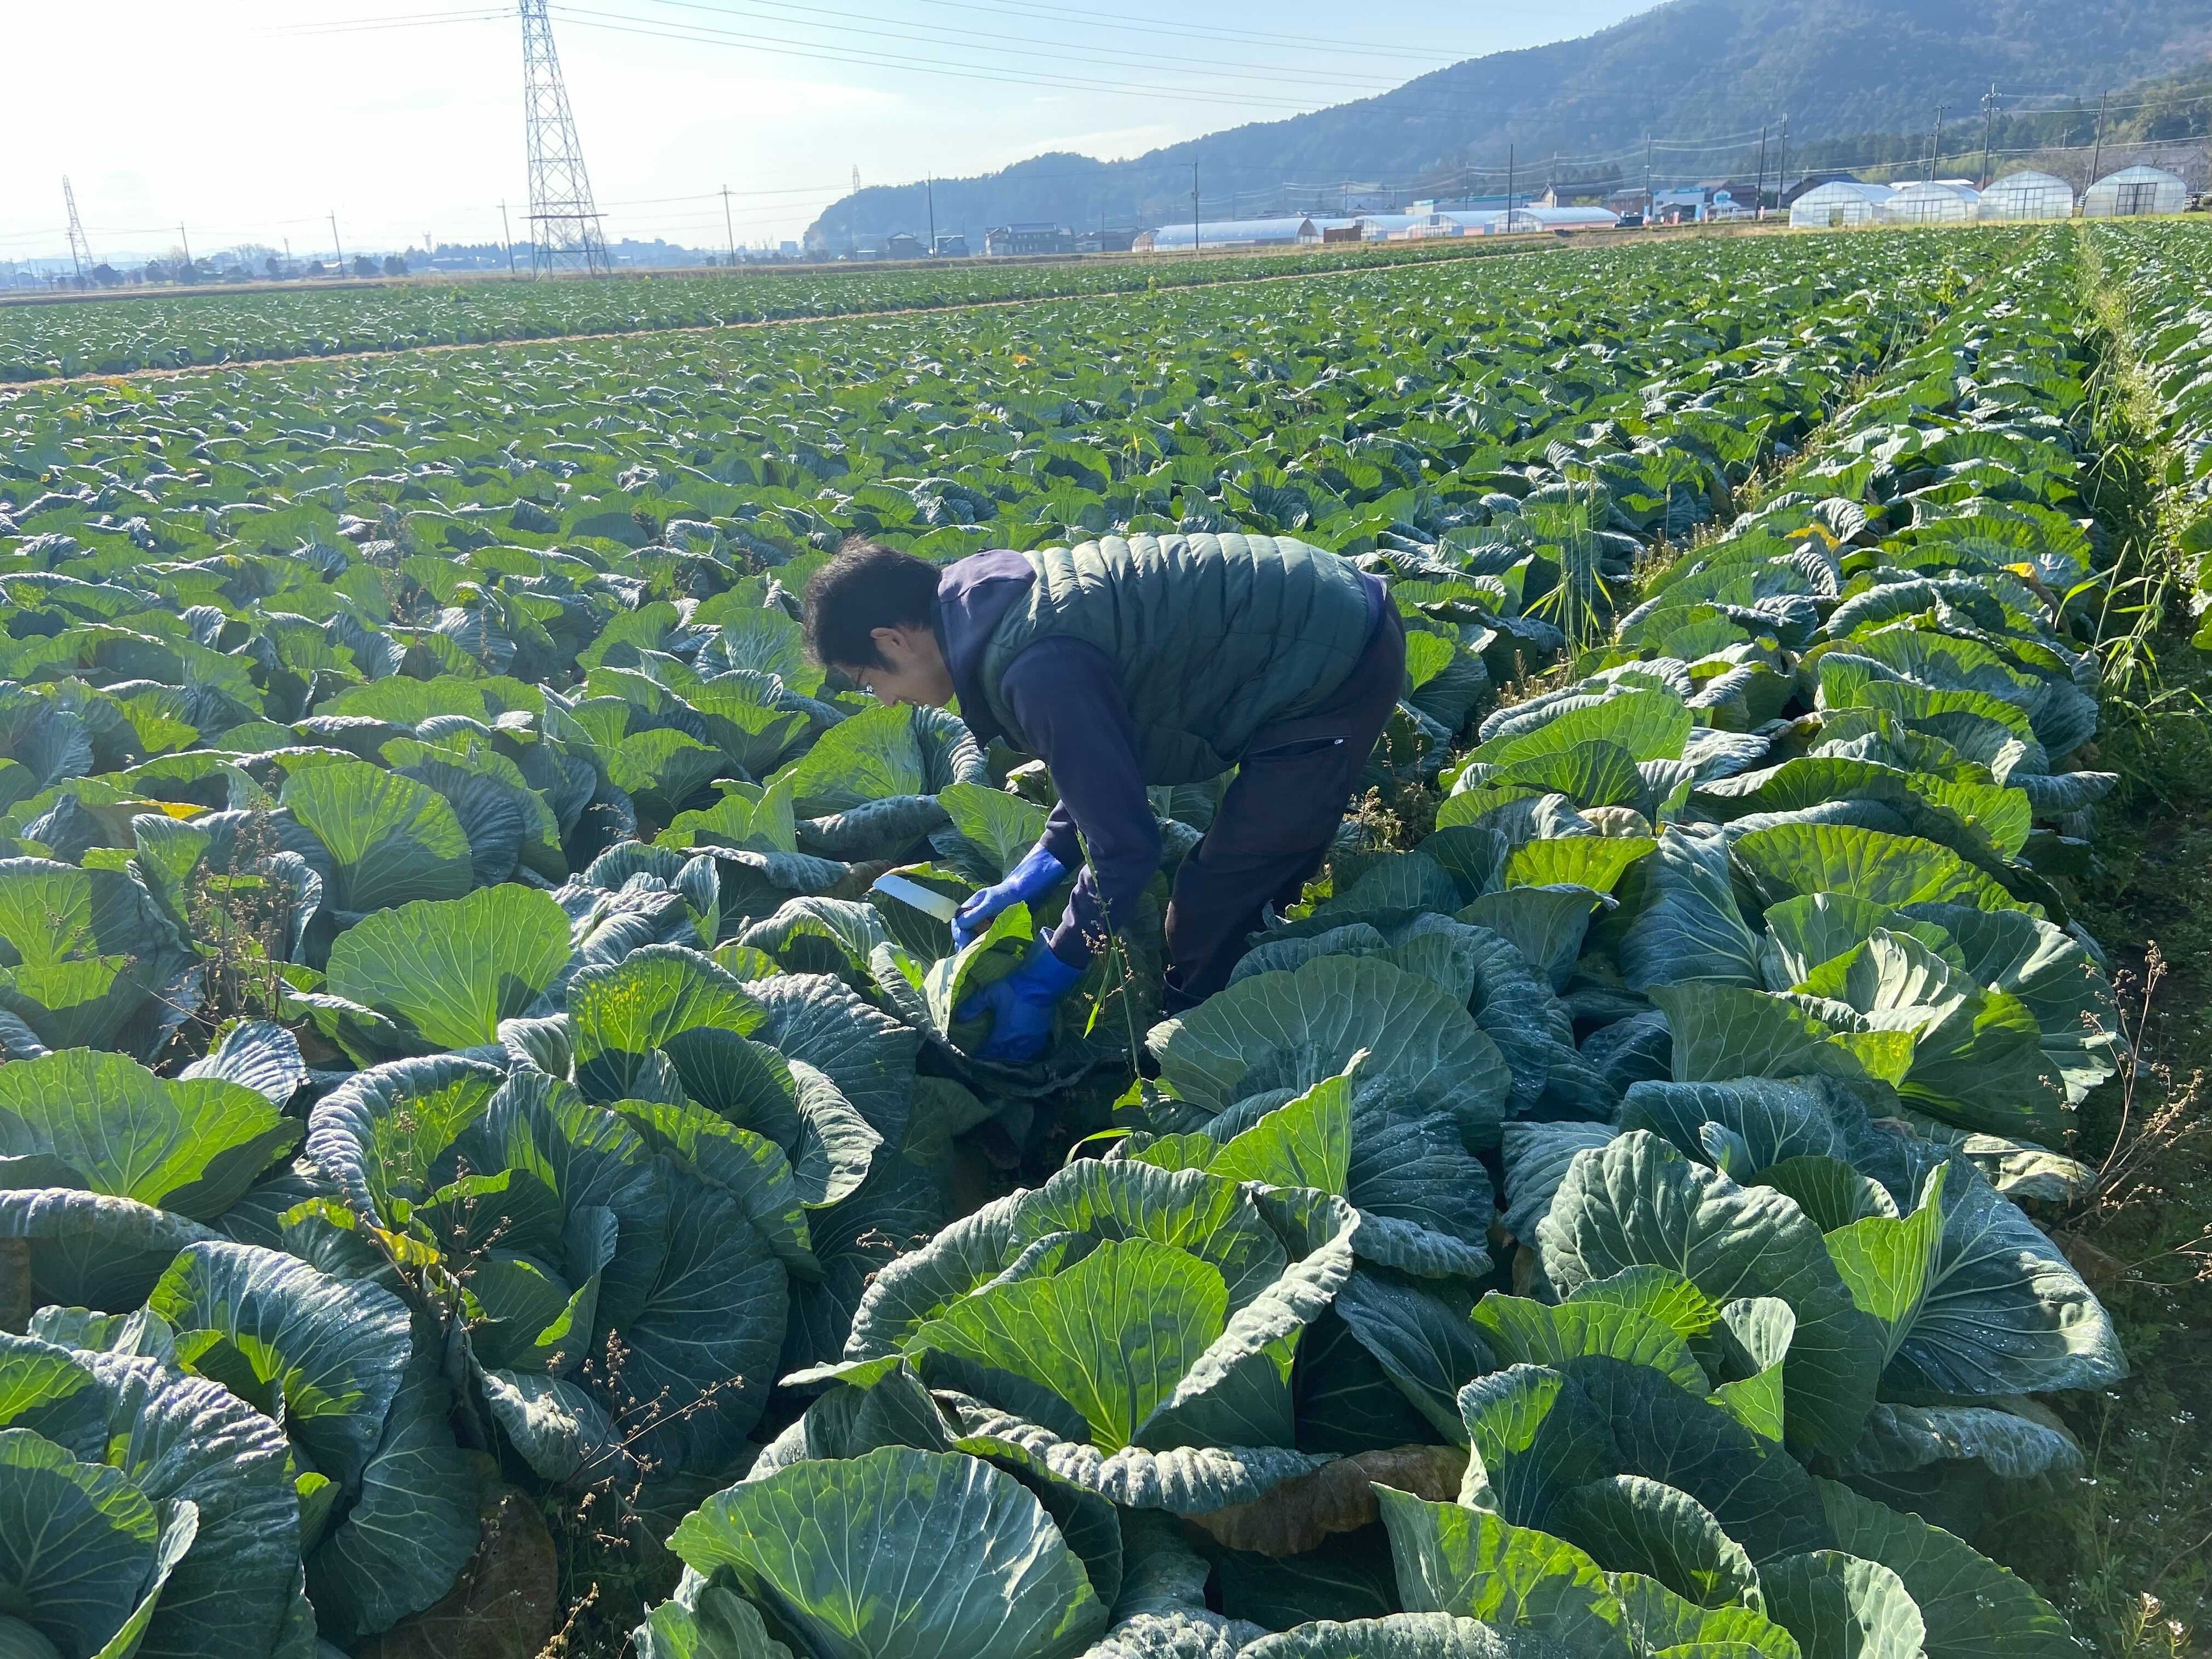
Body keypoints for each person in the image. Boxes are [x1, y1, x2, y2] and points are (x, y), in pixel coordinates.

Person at [802, 532, 1407, 1061]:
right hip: (1307, 616)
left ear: (895, 641)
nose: (883, 701)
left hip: (1337, 659)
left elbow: (1126, 847)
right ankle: (1259, 955)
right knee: (1246, 877)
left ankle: (1201, 1039)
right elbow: (1099, 767)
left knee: (1213, 904)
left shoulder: (1035, 666)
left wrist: (1045, 977)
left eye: (869, 680)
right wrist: (1035, 871)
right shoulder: (986, 606)